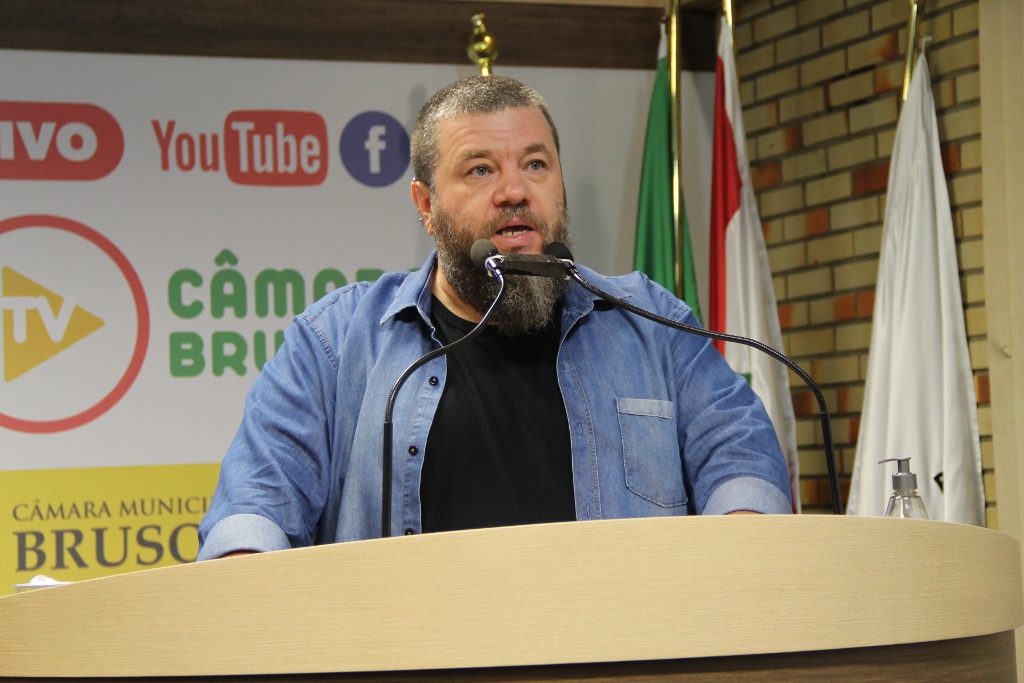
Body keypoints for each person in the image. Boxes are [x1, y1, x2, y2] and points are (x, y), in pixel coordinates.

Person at [197, 76, 791, 560]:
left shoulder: (651, 322)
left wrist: (736, 556)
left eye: (536, 164)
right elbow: (253, 509)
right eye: (480, 170)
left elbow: (741, 456)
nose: (515, 190)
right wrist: (242, 583)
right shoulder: (335, 343)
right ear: (426, 206)